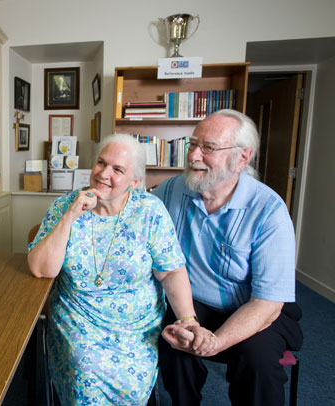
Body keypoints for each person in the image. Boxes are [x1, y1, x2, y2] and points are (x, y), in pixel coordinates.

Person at [28, 134, 212, 405]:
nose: (103, 174)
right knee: (84, 367)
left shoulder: (150, 211)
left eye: (118, 169)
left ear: (135, 182)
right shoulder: (65, 206)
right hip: (79, 318)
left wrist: (188, 320)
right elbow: (41, 269)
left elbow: (171, 271)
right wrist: (70, 215)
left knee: (131, 381)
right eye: (101, 163)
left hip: (136, 326)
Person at [152, 109, 303, 406]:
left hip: (255, 306)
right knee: (173, 343)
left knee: (257, 360)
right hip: (194, 302)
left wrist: (216, 342)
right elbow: (136, 219)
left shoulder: (268, 210)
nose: (194, 155)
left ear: (242, 157)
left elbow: (268, 303)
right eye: (192, 144)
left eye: (208, 147)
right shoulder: (170, 191)